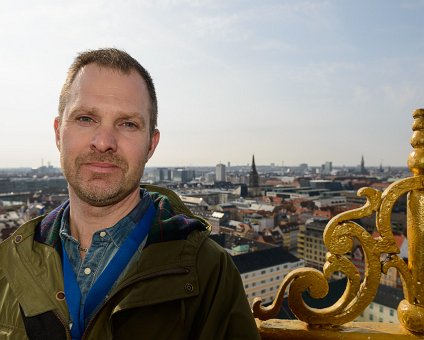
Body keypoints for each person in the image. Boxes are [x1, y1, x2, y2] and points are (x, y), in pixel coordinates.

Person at [0, 48, 260, 339]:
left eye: (128, 124)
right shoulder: (7, 264)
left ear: (151, 144)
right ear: (58, 132)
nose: (103, 142)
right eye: (86, 118)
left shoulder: (209, 272)